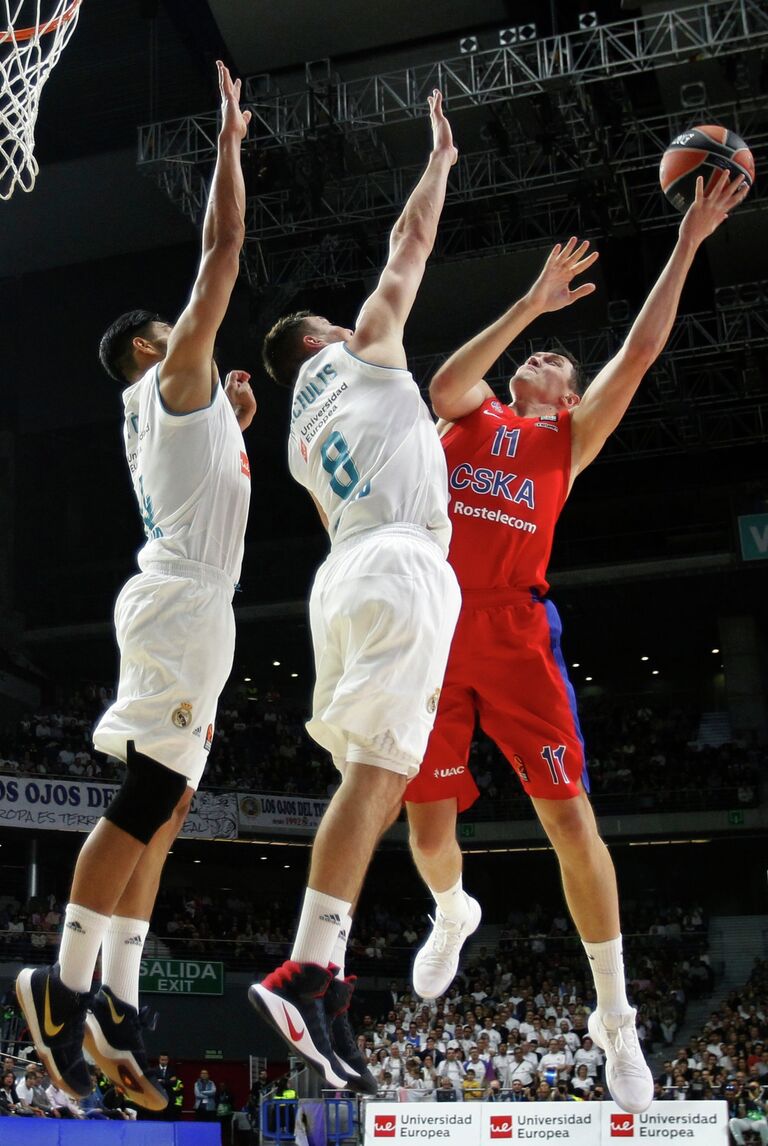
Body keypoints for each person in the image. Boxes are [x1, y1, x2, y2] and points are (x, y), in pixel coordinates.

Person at [403, 169, 749, 1116]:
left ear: (567, 394)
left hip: (514, 632)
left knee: (570, 822)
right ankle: (450, 910)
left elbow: (639, 352)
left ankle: (616, 1018)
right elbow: (442, 379)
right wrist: (530, 302)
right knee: (428, 827)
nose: (548, 355)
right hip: (433, 626)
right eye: (542, 349)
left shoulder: (568, 439)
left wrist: (687, 244)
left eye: (559, 355)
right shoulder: (471, 415)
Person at [15, 60, 255, 1111]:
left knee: (175, 805)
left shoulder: (171, 407)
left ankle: (116, 1002)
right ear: (156, 347)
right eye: (180, 330)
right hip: (178, 600)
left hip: (193, 598)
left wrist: (237, 421)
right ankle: (60, 988)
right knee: (150, 796)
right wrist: (231, 148)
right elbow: (224, 249)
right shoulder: (169, 375)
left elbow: (199, 477)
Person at [250, 90, 461, 1094]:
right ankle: (308, 965)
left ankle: (324, 973)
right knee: (377, 777)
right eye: (336, 323)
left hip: (345, 577)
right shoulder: (365, 349)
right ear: (320, 340)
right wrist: (441, 163)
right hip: (397, 567)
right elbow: (408, 244)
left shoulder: (297, 433)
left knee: (370, 786)